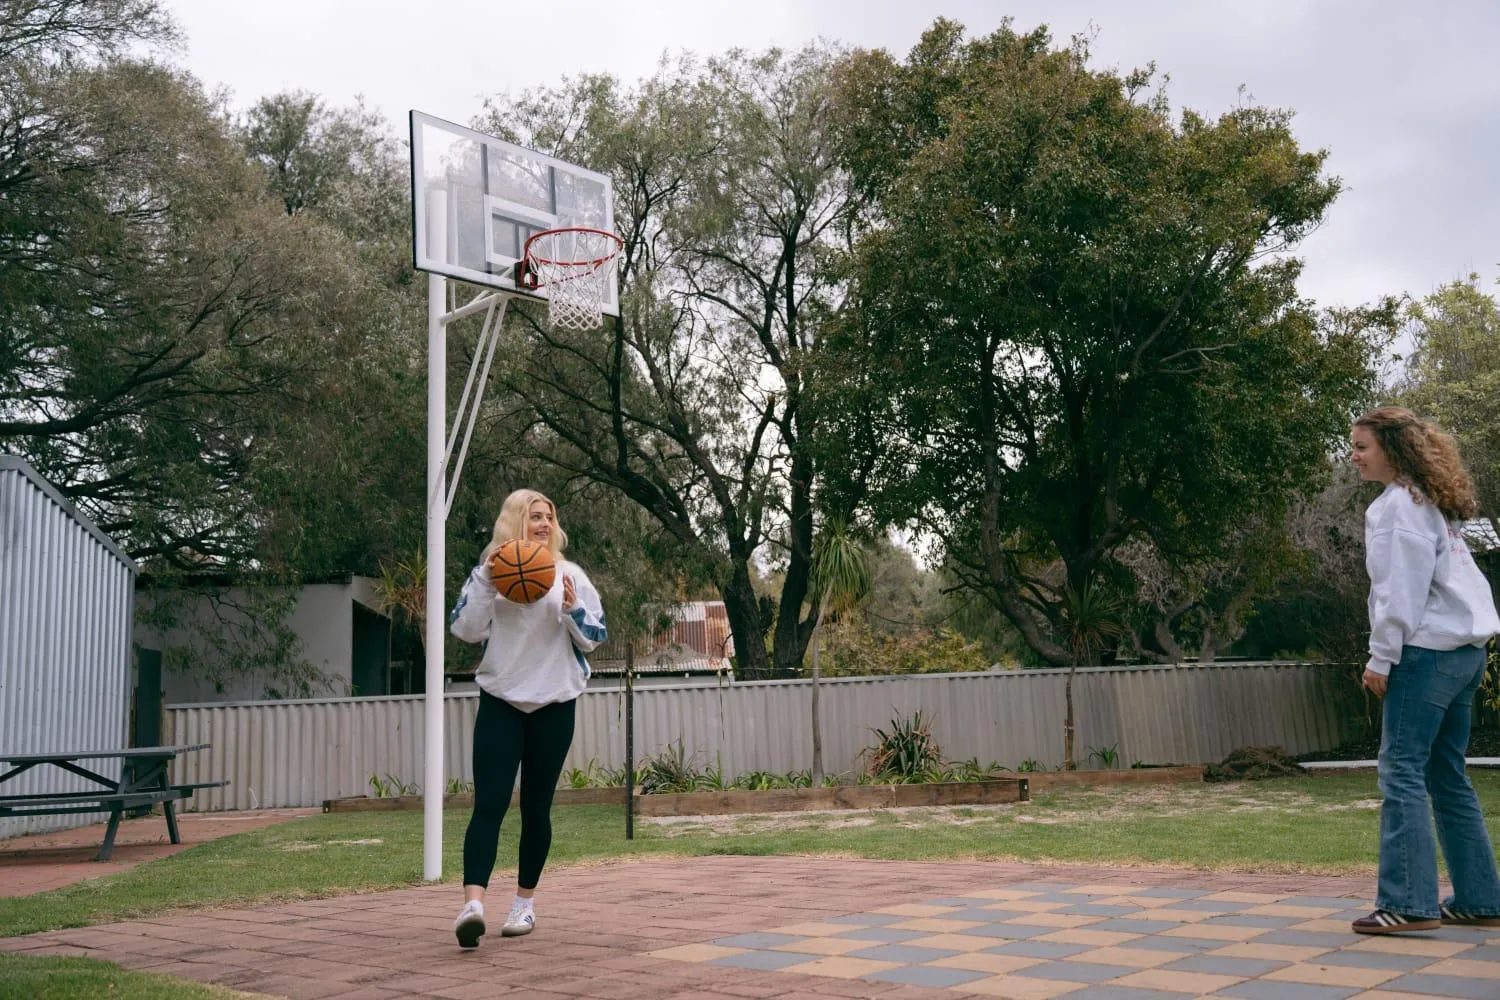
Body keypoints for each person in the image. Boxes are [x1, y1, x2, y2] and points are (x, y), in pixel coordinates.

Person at [1349, 407, 1500, 934]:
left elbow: (1401, 593)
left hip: (1427, 655)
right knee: (1446, 774)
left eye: (1362, 446)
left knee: (1402, 771)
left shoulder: (1398, 507)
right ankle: (1481, 899)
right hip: (1465, 653)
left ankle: (1408, 904)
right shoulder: (1430, 504)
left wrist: (1380, 657)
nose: (1354, 456)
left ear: (1392, 448)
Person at [447, 489, 607, 948]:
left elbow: (595, 638)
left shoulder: (569, 575)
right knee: (489, 804)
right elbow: (465, 629)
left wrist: (574, 608)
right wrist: (486, 584)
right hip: (501, 699)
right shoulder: (490, 574)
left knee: (536, 808)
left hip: (554, 703)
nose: (543, 523)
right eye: (534, 516)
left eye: (549, 517)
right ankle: (472, 905)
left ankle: (523, 905)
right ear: (515, 521)